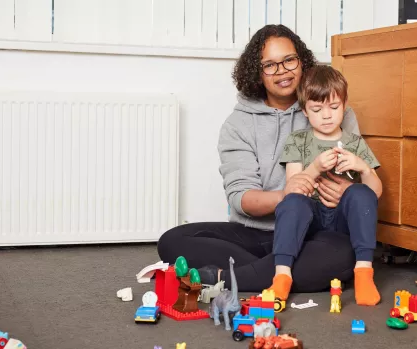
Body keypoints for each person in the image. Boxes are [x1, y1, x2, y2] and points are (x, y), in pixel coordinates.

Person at [157, 24, 367, 297]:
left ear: (301, 61)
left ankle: (229, 277)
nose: (282, 71)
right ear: (257, 72)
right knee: (173, 241)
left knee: (343, 253)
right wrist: (286, 195)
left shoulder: (333, 108)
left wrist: (346, 189)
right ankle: (279, 269)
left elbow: (359, 177)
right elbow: (241, 198)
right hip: (255, 234)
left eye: (289, 60)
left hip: (314, 232)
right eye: (270, 65)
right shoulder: (238, 124)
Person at [273, 65, 382, 305]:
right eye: (317, 109)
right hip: (310, 220)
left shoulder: (354, 143)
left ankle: (364, 272)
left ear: (344, 105)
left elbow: (374, 194)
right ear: (304, 110)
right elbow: (291, 189)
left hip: (342, 221)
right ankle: (282, 276)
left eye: (334, 107)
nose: (326, 115)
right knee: (292, 203)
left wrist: (362, 167)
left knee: (361, 194)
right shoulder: (298, 141)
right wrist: (315, 168)